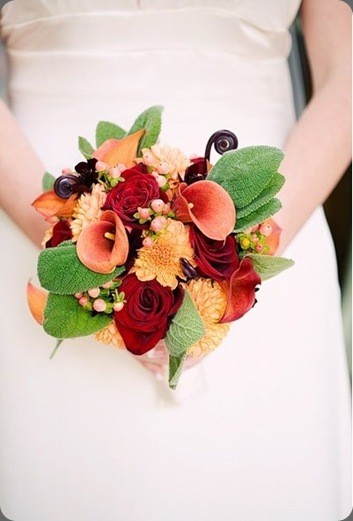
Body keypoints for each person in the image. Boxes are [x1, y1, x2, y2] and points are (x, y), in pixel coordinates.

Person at [0, 1, 351, 520]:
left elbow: (346, 74)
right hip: (35, 218)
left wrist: (238, 256)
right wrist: (75, 243)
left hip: (274, 242)